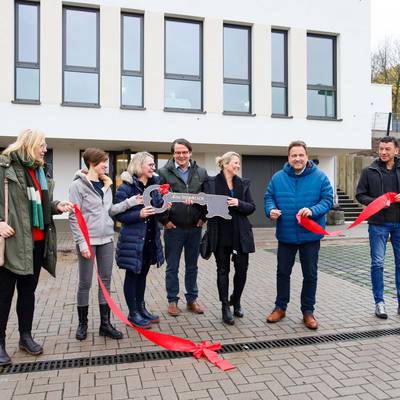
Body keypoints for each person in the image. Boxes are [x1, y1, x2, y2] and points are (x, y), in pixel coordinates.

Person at [0, 129, 73, 366]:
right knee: (3, 296)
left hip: (37, 242)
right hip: (11, 243)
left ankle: (25, 336)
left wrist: (56, 205)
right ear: (29, 144)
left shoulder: (40, 171)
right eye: (42, 145)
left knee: (27, 293)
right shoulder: (5, 167)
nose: (44, 149)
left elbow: (39, 204)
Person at [264, 140, 333, 330]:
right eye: (294, 155)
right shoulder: (278, 178)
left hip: (310, 235)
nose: (297, 158)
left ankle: (308, 311)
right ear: (288, 157)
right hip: (286, 235)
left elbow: (327, 200)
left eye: (301, 155)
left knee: (310, 274)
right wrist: (270, 210)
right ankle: (280, 307)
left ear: (306, 157)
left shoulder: (320, 177)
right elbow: (269, 197)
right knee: (283, 273)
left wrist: (313, 210)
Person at [69, 148, 123, 341]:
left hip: (106, 239)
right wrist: (82, 243)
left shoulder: (105, 184)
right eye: (103, 162)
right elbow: (75, 216)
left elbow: (110, 210)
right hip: (88, 241)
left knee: (106, 281)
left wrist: (131, 202)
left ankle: (105, 325)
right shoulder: (77, 186)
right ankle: (82, 324)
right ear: (92, 163)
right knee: (85, 283)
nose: (106, 165)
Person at [111, 152, 164, 328]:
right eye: (150, 164)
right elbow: (119, 215)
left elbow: (157, 207)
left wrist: (164, 207)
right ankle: (133, 313)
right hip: (133, 241)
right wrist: (139, 214)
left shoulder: (153, 186)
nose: (153, 168)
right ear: (140, 166)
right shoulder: (126, 188)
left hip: (149, 240)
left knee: (142, 276)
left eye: (154, 165)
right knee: (133, 276)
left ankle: (141, 309)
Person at [204, 152, 255, 325]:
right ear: (225, 164)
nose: (238, 166)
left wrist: (238, 203)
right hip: (220, 232)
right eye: (235, 162)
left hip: (240, 233)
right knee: (222, 270)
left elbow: (251, 207)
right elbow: (203, 205)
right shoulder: (211, 182)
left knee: (242, 270)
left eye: (239, 163)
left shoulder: (243, 183)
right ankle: (225, 306)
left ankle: (237, 300)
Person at [158, 138, 207, 316]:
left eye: (184, 152)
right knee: (172, 266)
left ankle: (192, 299)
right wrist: (164, 221)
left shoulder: (201, 172)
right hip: (173, 228)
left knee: (192, 266)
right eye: (178, 152)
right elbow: (158, 199)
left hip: (195, 227)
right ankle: (172, 301)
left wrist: (203, 218)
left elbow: (207, 196)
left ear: (190, 153)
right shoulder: (163, 173)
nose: (181, 155)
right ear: (173, 154)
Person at [356, 136, 400, 319]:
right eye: (381, 149)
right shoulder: (369, 171)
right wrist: (378, 202)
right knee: (377, 264)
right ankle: (379, 303)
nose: (383, 152)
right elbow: (360, 195)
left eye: (387, 149)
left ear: (396, 151)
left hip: (399, 224)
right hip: (378, 225)